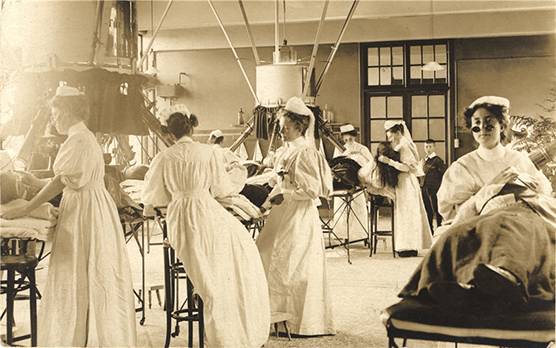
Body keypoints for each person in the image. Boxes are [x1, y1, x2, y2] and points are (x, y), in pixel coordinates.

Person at [1, 85, 137, 347]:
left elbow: (61, 183)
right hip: (88, 204)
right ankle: (82, 335)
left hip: (84, 210)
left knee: (79, 269)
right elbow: (67, 180)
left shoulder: (77, 140)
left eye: (55, 112)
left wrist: (26, 208)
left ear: (67, 112)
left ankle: (80, 339)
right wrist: (33, 180)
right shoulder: (83, 138)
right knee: (85, 270)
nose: (53, 118)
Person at [399, 96, 555, 310]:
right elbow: (453, 214)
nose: (483, 128)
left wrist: (516, 190)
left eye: (489, 122)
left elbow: (542, 195)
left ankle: (510, 282)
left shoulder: (519, 160)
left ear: (502, 125)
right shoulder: (462, 166)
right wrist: (490, 190)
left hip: (518, 223)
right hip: (477, 223)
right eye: (476, 125)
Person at [141, 104, 270, 348]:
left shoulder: (163, 157)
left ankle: (215, 311)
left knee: (210, 267)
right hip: (206, 208)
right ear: (192, 127)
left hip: (180, 215)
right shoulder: (208, 153)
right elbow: (221, 189)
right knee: (240, 249)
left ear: (169, 133)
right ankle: (231, 321)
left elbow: (155, 197)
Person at [256, 97, 336, 336]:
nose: (281, 131)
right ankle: (275, 317)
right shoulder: (286, 151)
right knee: (269, 257)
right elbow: (277, 180)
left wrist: (286, 194)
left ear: (299, 127)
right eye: (280, 127)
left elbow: (312, 190)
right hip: (281, 212)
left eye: (285, 128)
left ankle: (299, 322)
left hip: (298, 215)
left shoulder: (306, 153)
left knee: (294, 266)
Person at [379, 120, 432, 257]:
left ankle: (409, 247)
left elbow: (408, 167)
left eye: (391, 136)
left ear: (398, 133)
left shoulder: (404, 144)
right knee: (405, 213)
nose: (390, 139)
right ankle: (406, 246)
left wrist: (389, 162)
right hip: (403, 182)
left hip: (407, 181)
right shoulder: (401, 144)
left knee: (407, 213)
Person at [332, 124, 372, 241]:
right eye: (346, 139)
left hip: (358, 181)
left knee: (358, 206)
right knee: (341, 206)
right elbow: (335, 165)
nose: (348, 141)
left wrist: (358, 158)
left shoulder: (362, 148)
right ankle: (342, 234)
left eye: (351, 138)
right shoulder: (339, 148)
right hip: (342, 182)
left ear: (355, 137)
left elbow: (370, 164)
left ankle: (360, 235)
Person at [419, 139, 446, 233]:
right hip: (423, 188)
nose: (428, 149)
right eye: (426, 147)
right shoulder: (423, 161)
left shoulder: (438, 161)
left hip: (434, 189)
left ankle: (439, 228)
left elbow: (443, 176)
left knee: (436, 210)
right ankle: (430, 230)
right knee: (427, 210)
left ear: (434, 147)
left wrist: (441, 189)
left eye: (430, 147)